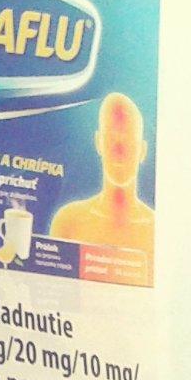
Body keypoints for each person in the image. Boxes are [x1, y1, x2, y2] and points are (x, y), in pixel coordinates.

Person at [47, 92, 155, 259]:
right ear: (98, 142)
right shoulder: (68, 221)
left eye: (129, 139)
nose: (119, 149)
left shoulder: (157, 230)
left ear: (142, 150)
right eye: (111, 137)